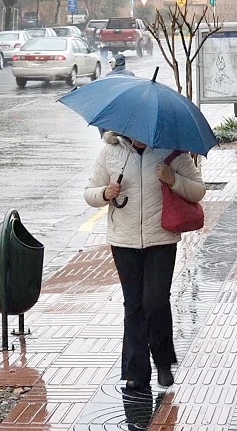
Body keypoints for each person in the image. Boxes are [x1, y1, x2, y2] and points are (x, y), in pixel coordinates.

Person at [84, 132, 206, 390]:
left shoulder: (171, 151)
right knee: (134, 304)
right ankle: (136, 371)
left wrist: (173, 180)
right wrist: (105, 193)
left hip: (161, 239)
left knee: (156, 301)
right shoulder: (111, 151)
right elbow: (89, 193)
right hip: (123, 241)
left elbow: (198, 190)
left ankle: (162, 362)